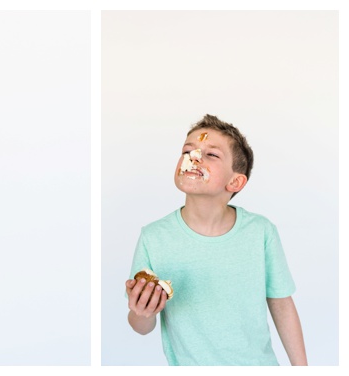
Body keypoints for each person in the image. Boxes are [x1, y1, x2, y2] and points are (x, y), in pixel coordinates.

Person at [125, 115, 306, 366]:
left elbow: (282, 304)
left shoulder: (261, 232)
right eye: (187, 150)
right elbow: (141, 327)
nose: (194, 157)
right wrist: (140, 310)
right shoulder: (153, 237)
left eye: (212, 155)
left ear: (235, 181)